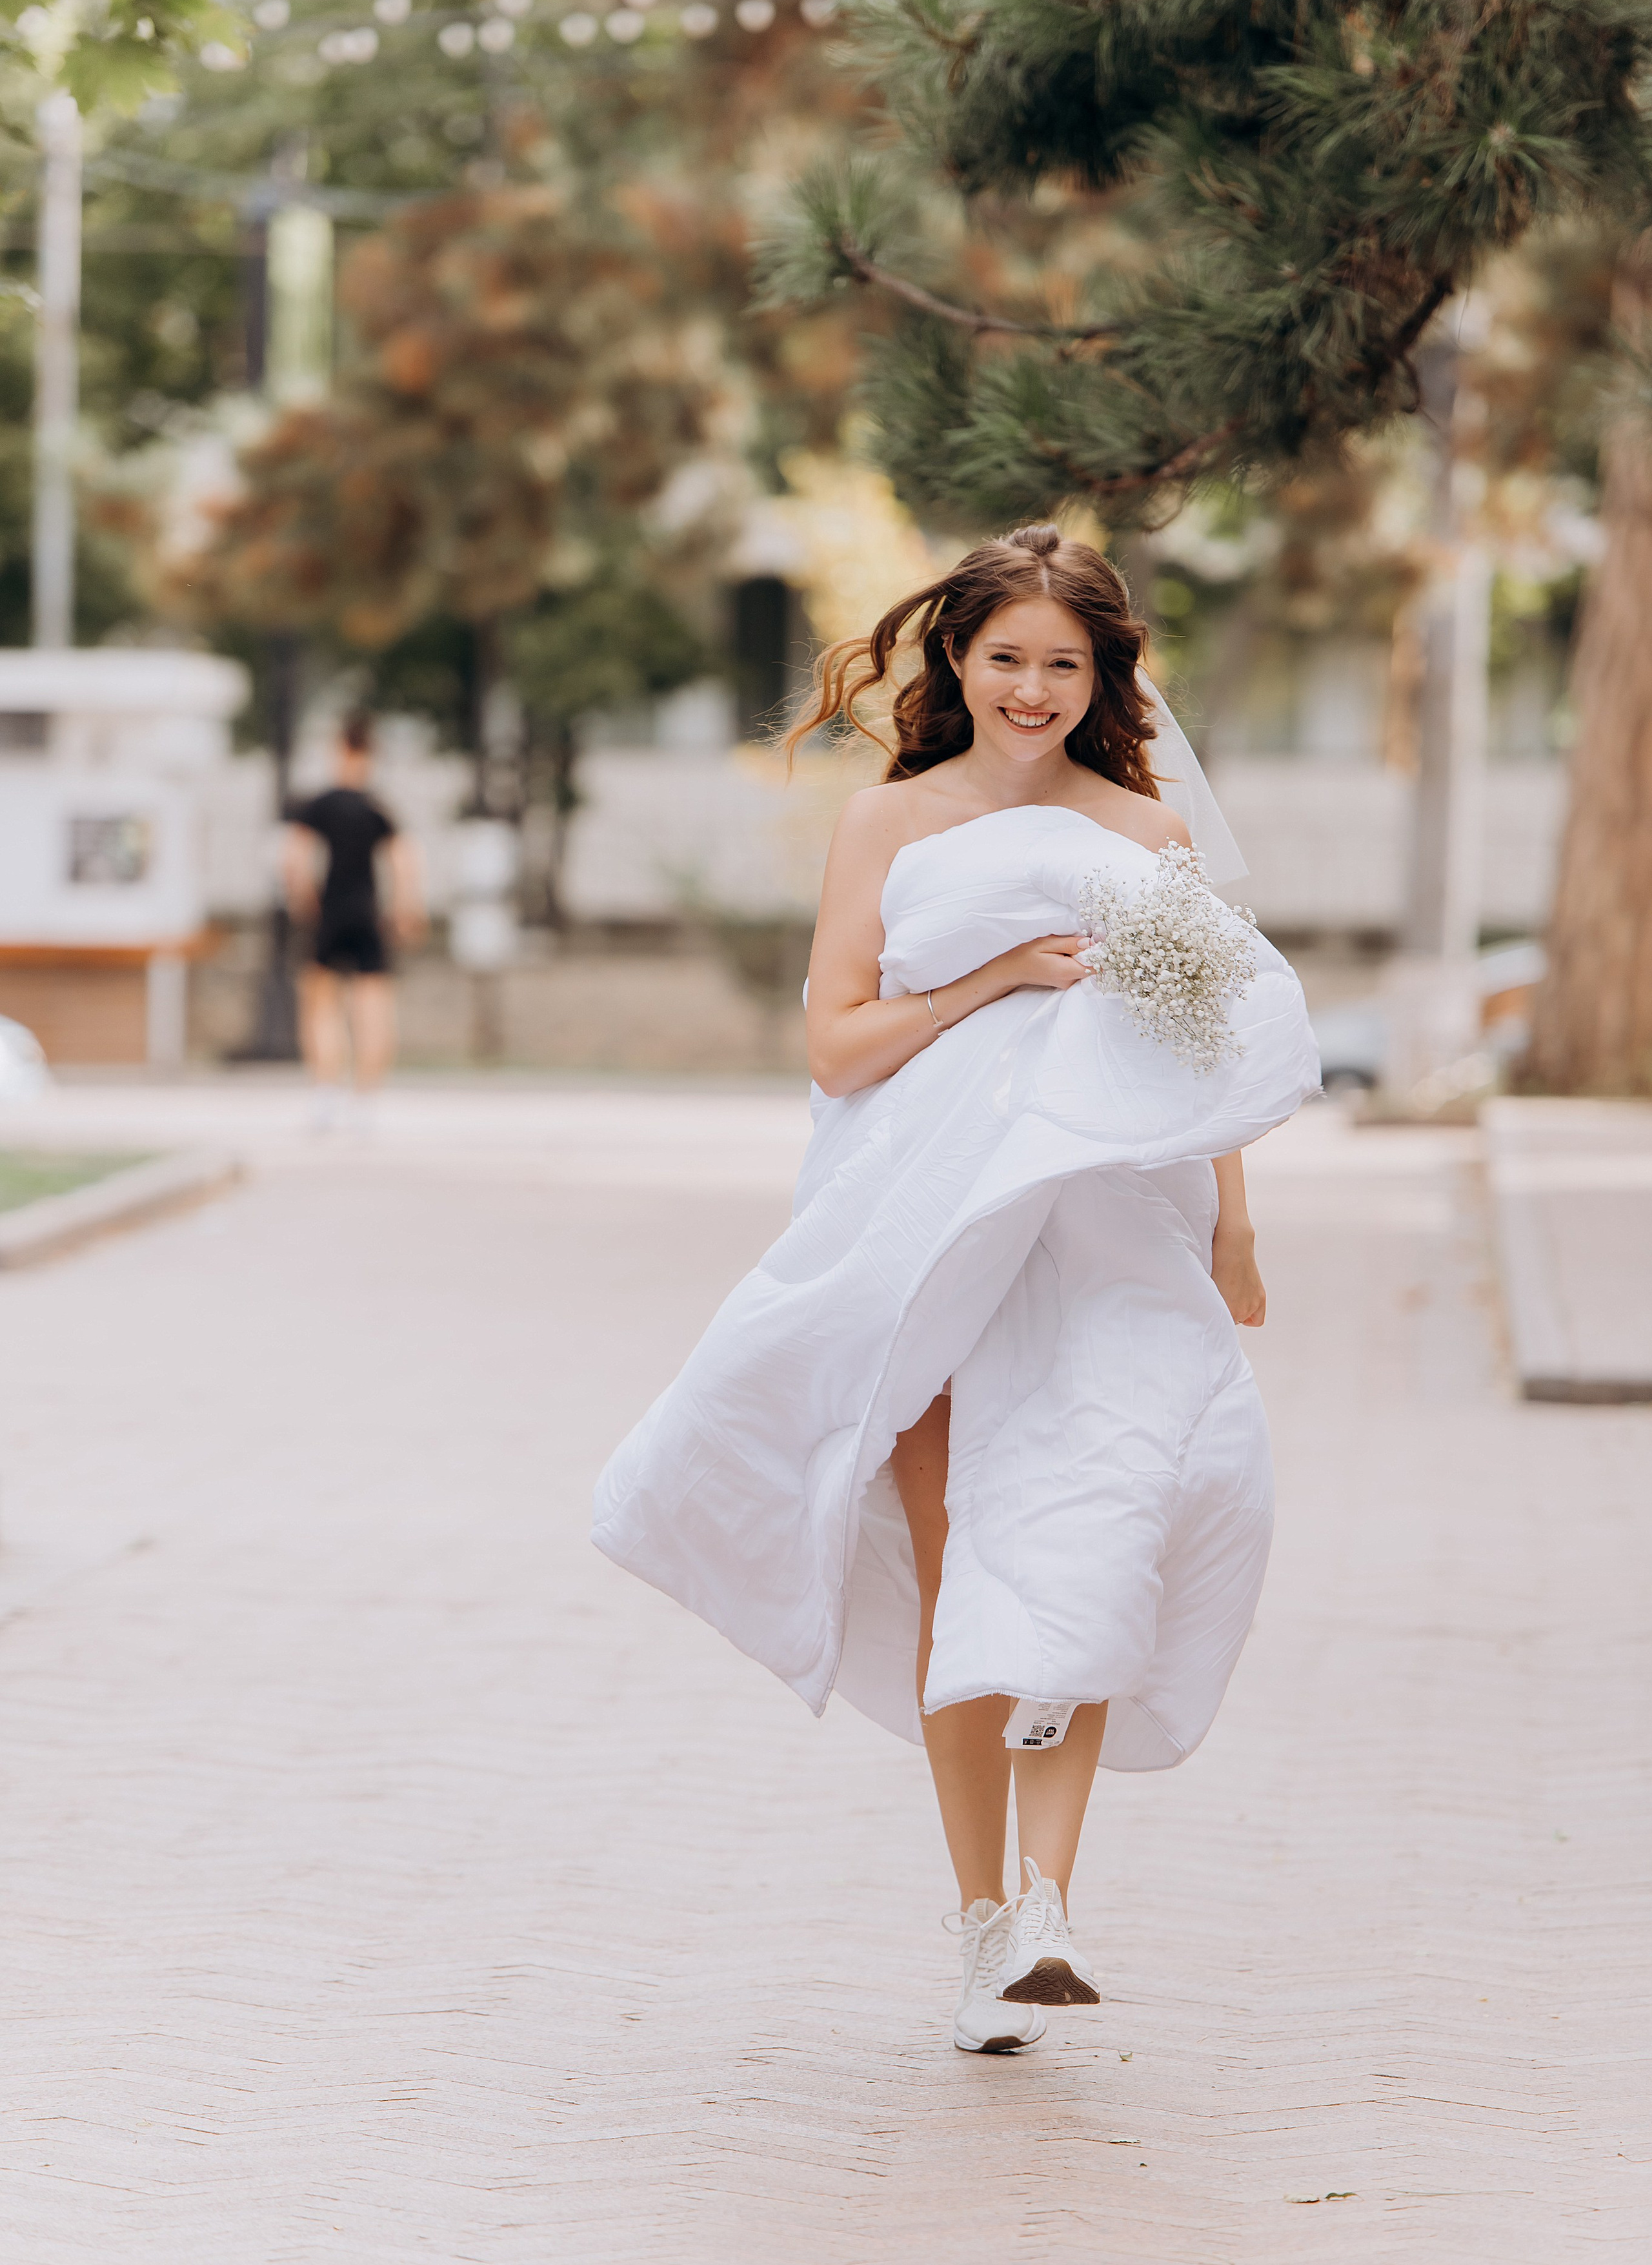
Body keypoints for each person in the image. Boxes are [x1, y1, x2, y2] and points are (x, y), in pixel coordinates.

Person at [592, 525, 1318, 2056]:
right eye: (1007, 658)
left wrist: (1232, 1234)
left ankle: (1049, 1906)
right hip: (920, 1227)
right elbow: (836, 1046)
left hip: (1105, 1233)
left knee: (1092, 1526)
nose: (1034, 688)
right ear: (956, 661)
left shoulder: (1144, 827)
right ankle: (980, 1916)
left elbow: (1205, 1056)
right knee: (951, 1567)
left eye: (1065, 663)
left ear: (1101, 673)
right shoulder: (888, 823)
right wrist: (993, 976)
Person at [283, 713, 425, 1128]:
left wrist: (303, 899)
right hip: (368, 913)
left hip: (331, 913)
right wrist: (406, 909)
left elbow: (295, 858)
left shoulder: (319, 804)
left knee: (320, 1005)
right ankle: (366, 1100)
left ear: (339, 752)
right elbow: (404, 861)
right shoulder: (378, 808)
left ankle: (326, 1093)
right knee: (374, 1007)